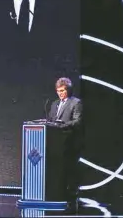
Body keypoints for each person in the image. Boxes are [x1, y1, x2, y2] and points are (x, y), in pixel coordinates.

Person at [47, 77, 83, 210]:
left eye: (62, 91)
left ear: (68, 90)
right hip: (55, 144)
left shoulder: (76, 102)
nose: (60, 93)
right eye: (58, 91)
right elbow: (50, 121)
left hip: (69, 143)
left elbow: (77, 121)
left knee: (69, 170)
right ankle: (56, 193)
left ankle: (71, 198)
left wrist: (62, 126)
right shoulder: (54, 103)